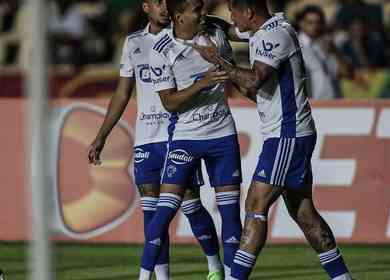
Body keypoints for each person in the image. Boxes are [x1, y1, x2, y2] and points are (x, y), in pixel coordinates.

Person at [193, 1, 353, 279]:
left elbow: (254, 80)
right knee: (304, 214)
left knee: (256, 205)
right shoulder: (264, 31)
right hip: (290, 133)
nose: (231, 18)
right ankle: (342, 277)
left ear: (249, 12)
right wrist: (196, 17)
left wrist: (218, 60)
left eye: (233, 11)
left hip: (286, 134)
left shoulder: (274, 35)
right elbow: (231, 33)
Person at [87, 1, 224, 279]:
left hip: (179, 134)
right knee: (151, 209)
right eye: (158, 2)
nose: (164, 7)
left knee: (190, 202)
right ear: (145, 6)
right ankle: (163, 277)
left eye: (168, 2)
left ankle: (214, 266)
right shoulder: (134, 42)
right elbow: (123, 93)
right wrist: (102, 135)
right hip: (147, 138)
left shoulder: (187, 38)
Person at [139, 0, 243, 279]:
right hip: (185, 138)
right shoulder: (161, 50)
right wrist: (202, 84)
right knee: (164, 214)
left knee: (231, 213)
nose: (203, 14)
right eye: (196, 10)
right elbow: (169, 103)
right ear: (178, 16)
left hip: (223, 134)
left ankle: (229, 275)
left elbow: (247, 35)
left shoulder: (216, 34)